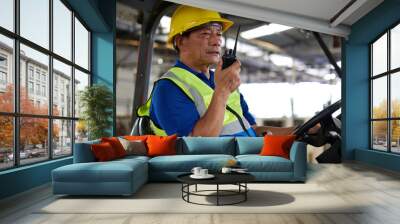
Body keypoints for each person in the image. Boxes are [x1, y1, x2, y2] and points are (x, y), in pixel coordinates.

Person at [137, 5, 318, 137]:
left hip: (243, 162)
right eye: (206, 34)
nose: (216, 41)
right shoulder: (169, 88)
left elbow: (251, 130)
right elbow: (195, 145)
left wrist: (300, 131)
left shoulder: (222, 80)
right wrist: (222, 91)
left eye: (218, 34)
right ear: (180, 41)